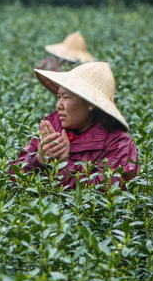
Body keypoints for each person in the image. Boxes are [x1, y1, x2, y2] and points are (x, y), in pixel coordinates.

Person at [9, 62, 139, 190]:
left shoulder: (119, 144)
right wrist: (38, 160)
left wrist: (63, 164)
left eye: (66, 98)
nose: (59, 105)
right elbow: (15, 176)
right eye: (59, 97)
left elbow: (105, 191)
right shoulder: (53, 130)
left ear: (91, 104)